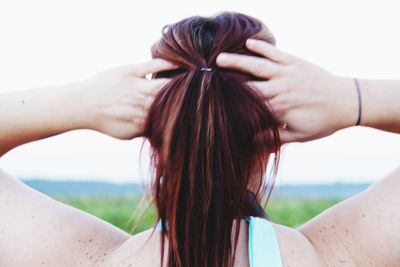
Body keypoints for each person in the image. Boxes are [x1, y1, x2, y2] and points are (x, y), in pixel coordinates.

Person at [0, 12, 398, 267]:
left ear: (154, 133)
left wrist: (79, 103)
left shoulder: (91, 259)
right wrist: (351, 98)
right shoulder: (330, 256)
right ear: (276, 134)